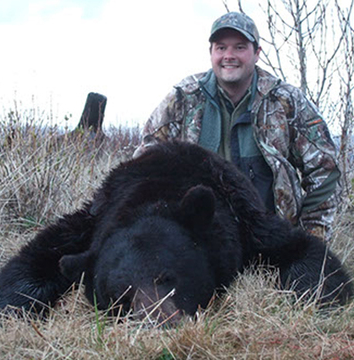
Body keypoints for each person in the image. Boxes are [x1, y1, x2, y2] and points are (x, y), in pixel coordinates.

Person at [134, 12, 340, 241]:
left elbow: (325, 169)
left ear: (257, 53)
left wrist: (311, 238)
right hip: (199, 245)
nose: (229, 56)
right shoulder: (182, 99)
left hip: (269, 241)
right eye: (221, 48)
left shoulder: (286, 101)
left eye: (240, 47)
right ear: (211, 53)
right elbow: (142, 166)